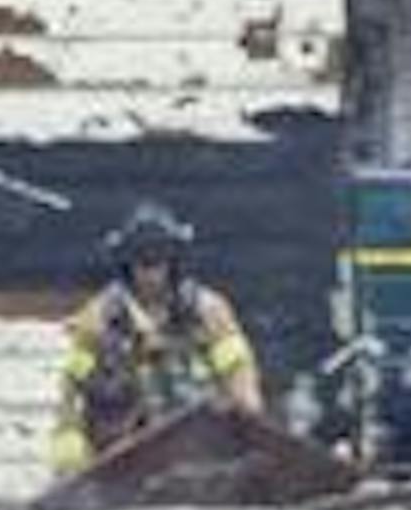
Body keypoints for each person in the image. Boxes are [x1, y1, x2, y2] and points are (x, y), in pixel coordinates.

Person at [51, 201, 261, 475]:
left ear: (173, 260)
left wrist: (248, 419)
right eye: (141, 259)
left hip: (196, 447)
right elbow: (72, 390)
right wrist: (70, 450)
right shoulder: (97, 319)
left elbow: (237, 370)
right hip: (123, 450)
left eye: (159, 258)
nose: (150, 271)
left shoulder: (208, 311)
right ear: (127, 261)